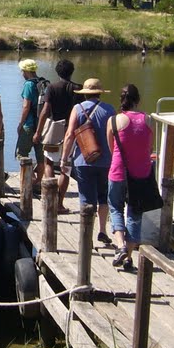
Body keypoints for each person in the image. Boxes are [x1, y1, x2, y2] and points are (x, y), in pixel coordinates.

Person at [60, 78, 115, 246]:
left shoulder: (78, 108)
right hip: (105, 160)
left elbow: (70, 135)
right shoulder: (110, 109)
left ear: (84, 94)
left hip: (83, 160)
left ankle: (87, 236)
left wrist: (64, 158)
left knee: (86, 198)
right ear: (100, 93)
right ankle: (102, 231)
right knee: (103, 197)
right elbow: (114, 136)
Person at [106, 84, 154, 272]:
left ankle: (120, 246)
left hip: (118, 171)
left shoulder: (114, 121)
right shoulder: (149, 120)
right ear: (138, 100)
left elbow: (111, 148)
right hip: (141, 174)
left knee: (115, 207)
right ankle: (129, 257)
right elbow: (149, 148)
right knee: (135, 214)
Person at [33, 59, 81, 212]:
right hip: (71, 132)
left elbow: (45, 111)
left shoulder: (52, 88)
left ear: (57, 72)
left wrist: (38, 132)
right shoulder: (78, 89)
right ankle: (59, 203)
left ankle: (50, 197)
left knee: (48, 162)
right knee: (65, 168)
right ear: (71, 72)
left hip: (55, 130)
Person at [15, 59, 45, 186]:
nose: (22, 73)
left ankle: (30, 180)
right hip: (41, 125)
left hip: (29, 125)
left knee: (21, 153)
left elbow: (26, 106)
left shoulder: (28, 84)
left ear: (26, 71)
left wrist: (20, 123)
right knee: (40, 155)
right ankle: (39, 182)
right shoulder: (42, 82)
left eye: (22, 70)